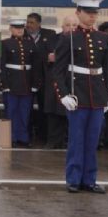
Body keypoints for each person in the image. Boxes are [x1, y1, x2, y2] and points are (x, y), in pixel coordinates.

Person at [53, 0, 108, 194]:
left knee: (93, 140)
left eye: (95, 13)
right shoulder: (68, 38)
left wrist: (107, 96)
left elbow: (106, 71)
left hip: (97, 95)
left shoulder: (103, 38)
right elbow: (59, 71)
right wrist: (63, 95)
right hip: (77, 95)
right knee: (77, 140)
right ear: (78, 12)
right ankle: (74, 179)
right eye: (88, 12)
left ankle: (90, 179)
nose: (92, 16)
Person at [1, 18, 39, 148]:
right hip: (11, 83)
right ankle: (11, 137)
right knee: (11, 111)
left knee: (25, 112)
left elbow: (36, 65)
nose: (19, 30)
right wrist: (4, 85)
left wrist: (35, 84)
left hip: (26, 82)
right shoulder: (5, 43)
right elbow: (1, 66)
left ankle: (23, 137)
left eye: (21, 28)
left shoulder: (30, 44)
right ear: (11, 29)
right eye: (16, 28)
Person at [44, 15, 78, 149]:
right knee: (54, 113)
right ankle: (53, 141)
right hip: (56, 79)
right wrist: (48, 58)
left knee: (70, 112)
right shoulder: (54, 39)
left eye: (75, 25)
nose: (72, 28)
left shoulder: (81, 40)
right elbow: (42, 56)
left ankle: (68, 141)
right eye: (69, 25)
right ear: (63, 27)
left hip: (73, 80)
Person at [25, 12, 58, 145]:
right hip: (28, 78)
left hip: (45, 78)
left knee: (45, 107)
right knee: (27, 107)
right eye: (27, 22)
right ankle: (26, 136)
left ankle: (44, 135)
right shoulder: (22, 35)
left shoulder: (50, 34)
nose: (28, 25)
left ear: (39, 23)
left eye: (32, 22)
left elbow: (53, 53)